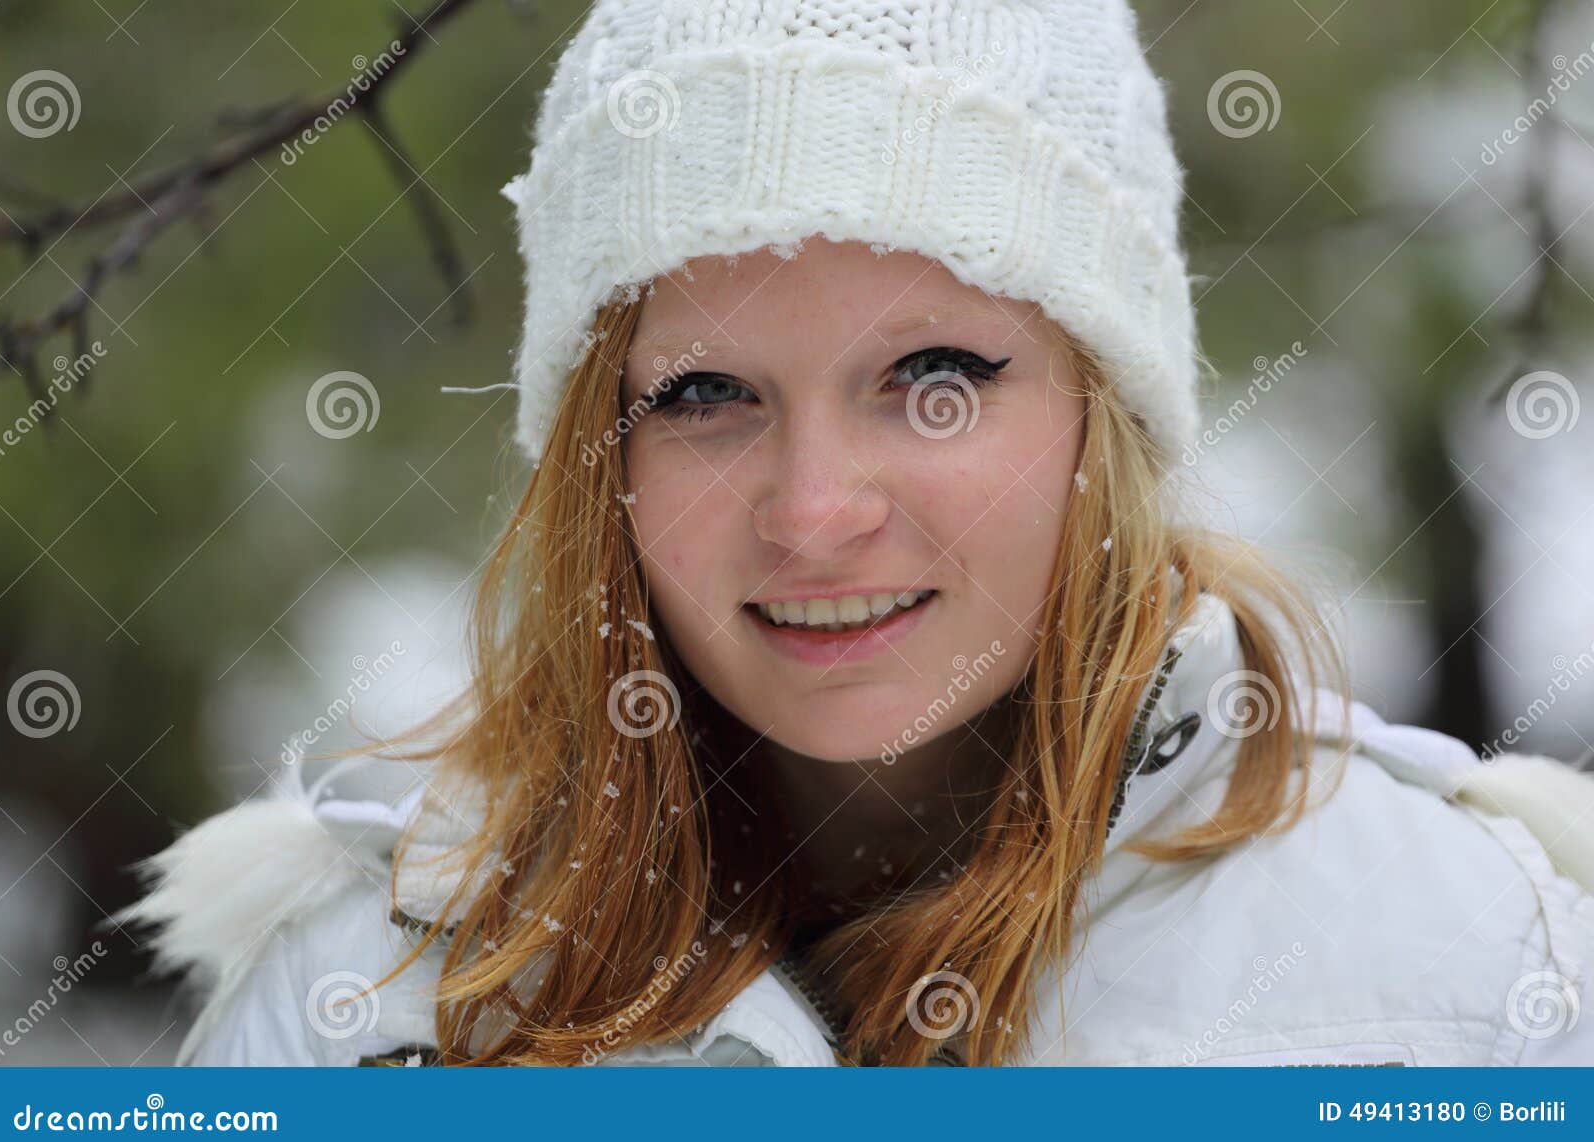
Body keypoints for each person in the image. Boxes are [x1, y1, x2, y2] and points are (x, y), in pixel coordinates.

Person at [115, 0, 1594, 1067]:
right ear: (594, 454)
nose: (817, 512)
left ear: (1107, 409)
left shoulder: (1462, 960)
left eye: (933, 380)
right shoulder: (358, 996)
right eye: (705, 394)